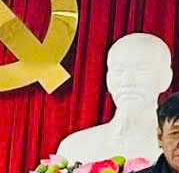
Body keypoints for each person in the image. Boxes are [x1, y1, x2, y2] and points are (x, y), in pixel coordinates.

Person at [57, 32, 171, 166]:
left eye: (142, 70)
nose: (127, 81)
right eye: (118, 71)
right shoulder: (75, 146)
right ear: (108, 79)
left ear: (166, 78)